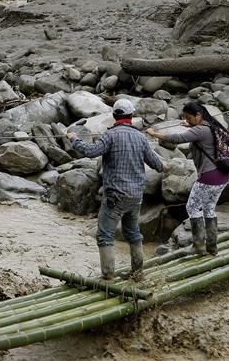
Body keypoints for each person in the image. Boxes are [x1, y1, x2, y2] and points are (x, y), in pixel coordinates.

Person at [66, 99, 165, 281]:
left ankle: (108, 277)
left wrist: (74, 139)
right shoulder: (141, 137)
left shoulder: (109, 135)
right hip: (136, 197)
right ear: (131, 116)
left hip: (115, 196)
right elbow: (158, 165)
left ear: (114, 116)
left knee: (105, 236)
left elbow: (91, 151)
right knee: (133, 233)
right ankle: (138, 273)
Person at [146, 101, 229, 256]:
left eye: (189, 117)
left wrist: (154, 133)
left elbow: (177, 139)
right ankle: (212, 246)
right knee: (209, 208)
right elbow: (200, 135)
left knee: (191, 207)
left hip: (209, 176)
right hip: (222, 175)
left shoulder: (200, 130)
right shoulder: (211, 126)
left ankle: (198, 246)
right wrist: (191, 126)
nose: (187, 120)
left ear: (198, 115)